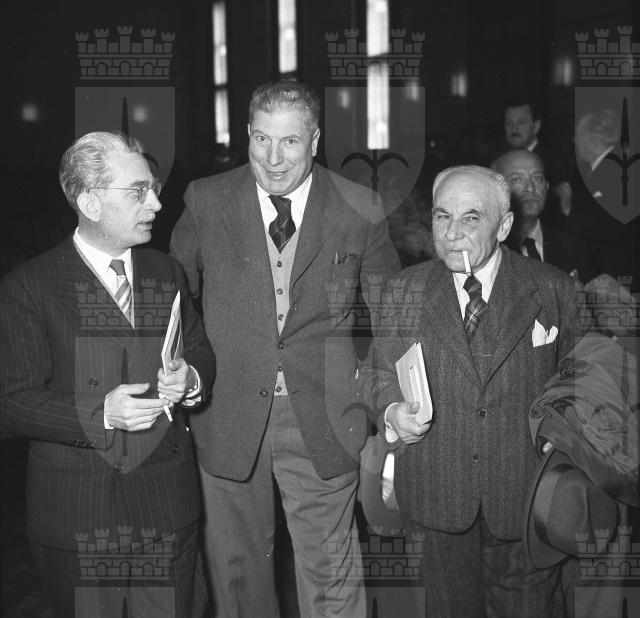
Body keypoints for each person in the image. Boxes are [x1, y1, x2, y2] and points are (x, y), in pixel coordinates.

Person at [170, 80, 400, 617]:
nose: (273, 159)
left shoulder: (359, 207)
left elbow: (392, 317)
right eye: (261, 140)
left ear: (314, 141)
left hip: (325, 415)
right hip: (225, 412)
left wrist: (385, 399)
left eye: (290, 142)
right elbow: (175, 304)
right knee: (237, 575)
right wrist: (183, 376)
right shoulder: (206, 199)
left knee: (332, 575)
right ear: (247, 135)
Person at [0, 131, 215, 617]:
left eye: (153, 189)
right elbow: (11, 403)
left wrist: (191, 379)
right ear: (90, 203)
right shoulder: (29, 287)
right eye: (139, 192)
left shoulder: (167, 272)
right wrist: (101, 413)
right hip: (80, 513)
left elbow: (199, 348)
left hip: (167, 506)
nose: (156, 204)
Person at [362, 165, 583, 617]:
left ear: (503, 226)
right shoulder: (404, 289)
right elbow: (375, 373)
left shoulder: (554, 289)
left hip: (526, 499)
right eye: (442, 217)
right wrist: (391, 412)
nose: (452, 233)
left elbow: (581, 383)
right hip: (437, 497)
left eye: (470, 218)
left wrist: (560, 432)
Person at [492, 148, 596, 283]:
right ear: (496, 190)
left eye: (538, 178)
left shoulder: (573, 246)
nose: (531, 188)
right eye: (516, 179)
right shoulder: (487, 250)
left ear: (547, 187)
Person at [568, 109, 639, 289]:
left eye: (577, 135)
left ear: (593, 139)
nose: (573, 141)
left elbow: (614, 227)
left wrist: (569, 211)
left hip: (617, 276)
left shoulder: (615, 171)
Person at [503, 98, 572, 224]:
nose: (514, 129)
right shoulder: (497, 160)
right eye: (509, 123)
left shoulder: (555, 161)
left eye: (521, 122)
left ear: (536, 126)